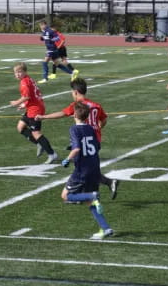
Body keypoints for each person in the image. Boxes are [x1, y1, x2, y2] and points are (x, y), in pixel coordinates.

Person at [36, 78, 120, 199]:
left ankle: (83, 195)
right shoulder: (96, 105)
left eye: (71, 92)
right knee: (89, 167)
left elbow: (62, 113)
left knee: (83, 168)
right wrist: (98, 129)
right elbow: (104, 119)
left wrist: (43, 117)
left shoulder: (78, 106)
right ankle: (107, 183)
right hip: (95, 140)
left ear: (75, 92)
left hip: (84, 138)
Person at [61, 102, 114, 240]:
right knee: (91, 203)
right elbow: (95, 145)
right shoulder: (91, 128)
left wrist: (67, 159)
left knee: (66, 196)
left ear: (74, 115)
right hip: (94, 166)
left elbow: (77, 148)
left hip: (81, 170)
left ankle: (92, 196)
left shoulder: (74, 129)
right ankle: (106, 228)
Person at [10, 62, 58, 164]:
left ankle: (52, 154)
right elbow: (32, 95)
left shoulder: (24, 82)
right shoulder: (28, 79)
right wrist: (24, 105)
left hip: (35, 110)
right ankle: (39, 143)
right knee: (20, 127)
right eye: (16, 72)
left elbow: (26, 96)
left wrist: (16, 102)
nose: (17, 74)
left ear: (25, 72)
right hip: (32, 107)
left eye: (20, 72)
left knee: (36, 133)